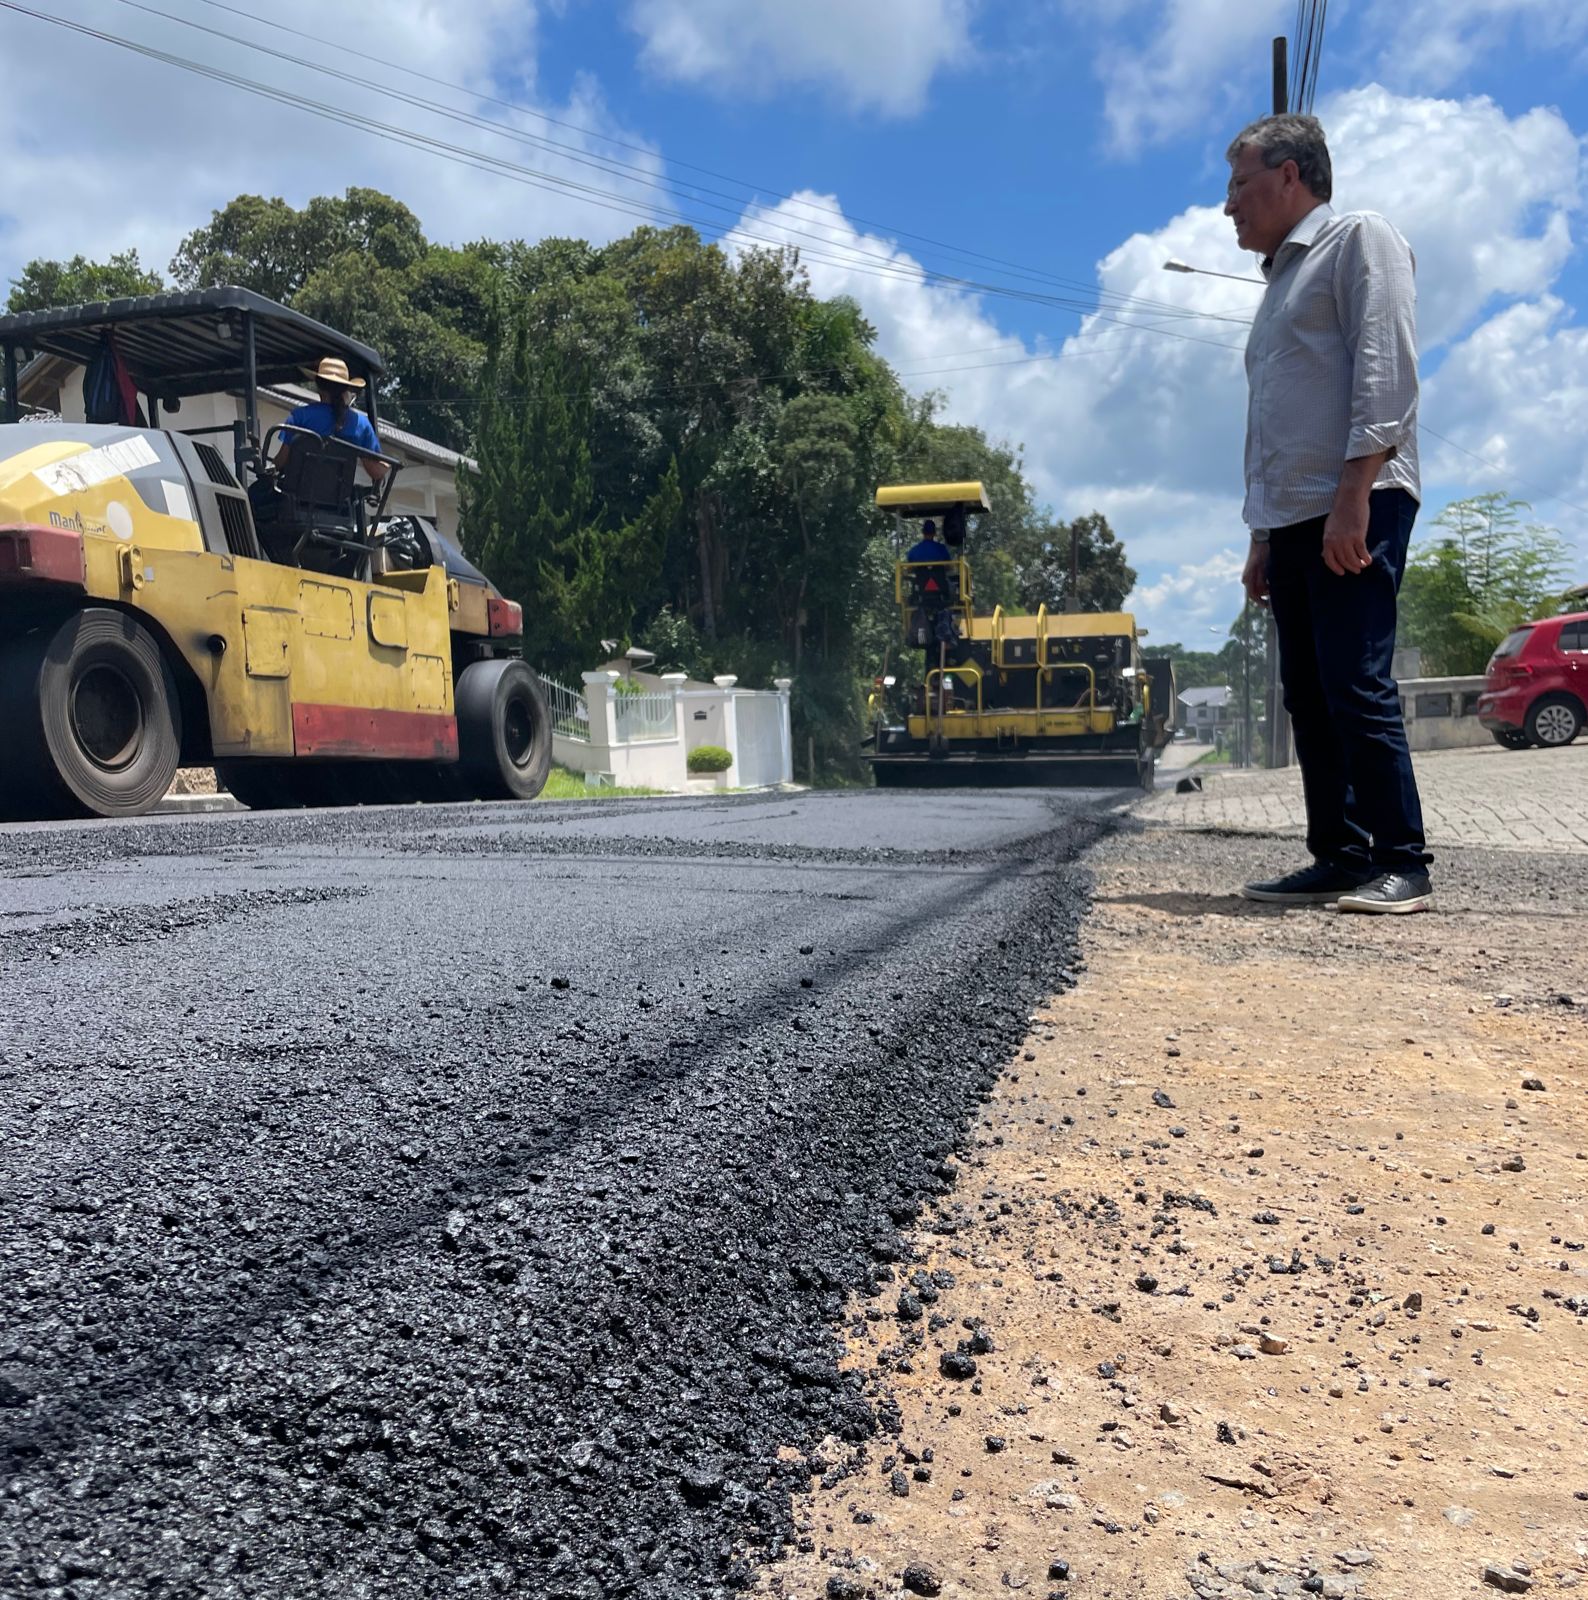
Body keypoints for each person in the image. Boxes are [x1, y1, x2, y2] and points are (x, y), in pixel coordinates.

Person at [1225, 113, 1431, 914]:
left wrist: (1353, 500)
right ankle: (1340, 855)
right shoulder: (1277, 285)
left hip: (1360, 499)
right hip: (1292, 517)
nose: (1229, 206)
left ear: (1288, 175)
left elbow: (1387, 370)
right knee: (1308, 694)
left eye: (1240, 185)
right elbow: (1270, 420)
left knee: (1355, 680)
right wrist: (1261, 535)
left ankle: (1402, 862)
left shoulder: (1358, 240)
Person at [276, 356, 388, 483]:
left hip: (293, 497)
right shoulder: (361, 424)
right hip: (340, 500)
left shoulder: (299, 417)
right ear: (345, 388)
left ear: (318, 386)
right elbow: (377, 472)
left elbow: (281, 462)